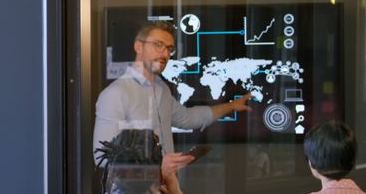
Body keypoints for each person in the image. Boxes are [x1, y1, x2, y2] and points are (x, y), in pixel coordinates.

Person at [93, 21, 253, 175]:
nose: (165, 54)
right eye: (158, 45)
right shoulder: (116, 93)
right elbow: (102, 157)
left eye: (169, 49)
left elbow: (189, 118)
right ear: (138, 46)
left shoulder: (162, 89)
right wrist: (156, 165)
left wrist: (231, 106)